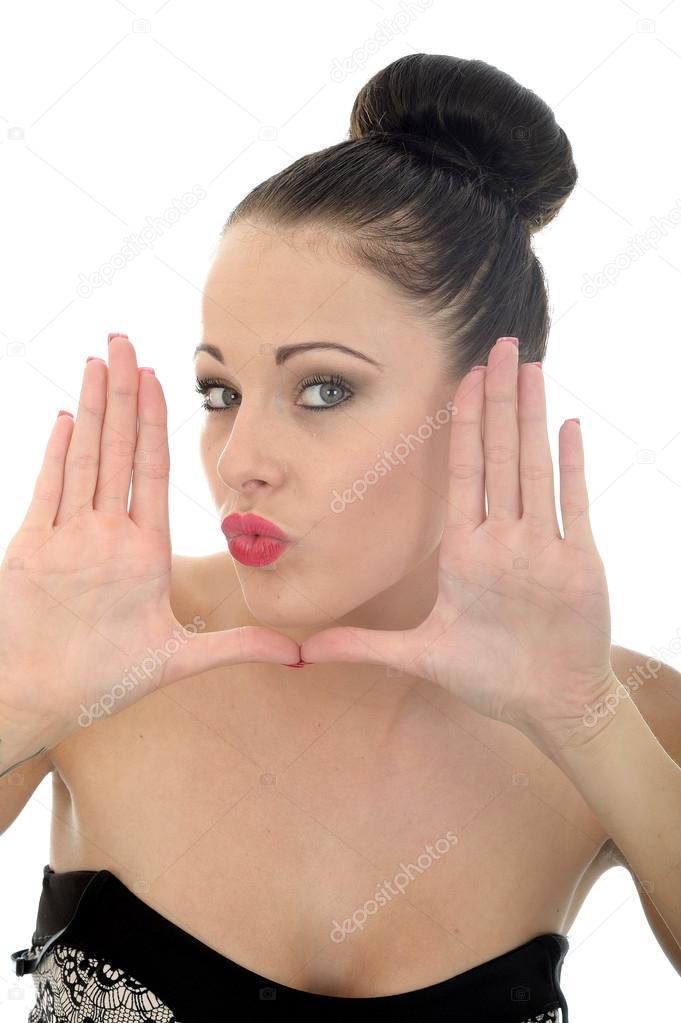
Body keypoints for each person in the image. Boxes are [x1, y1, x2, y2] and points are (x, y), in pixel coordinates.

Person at [2, 52, 680, 1023]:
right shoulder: (85, 648)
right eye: (220, 391)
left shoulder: (625, 712)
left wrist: (584, 717)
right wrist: (18, 705)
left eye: (324, 388)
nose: (242, 457)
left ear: (485, 407)